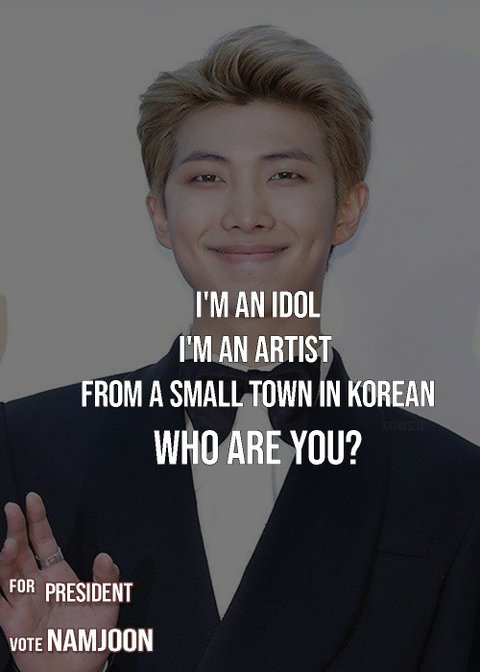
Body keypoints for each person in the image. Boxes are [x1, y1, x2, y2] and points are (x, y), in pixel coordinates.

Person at [1, 25, 480, 672]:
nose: (245, 212)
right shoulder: (28, 450)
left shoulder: (452, 488)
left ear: (346, 210)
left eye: (285, 174)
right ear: (160, 214)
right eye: (207, 177)